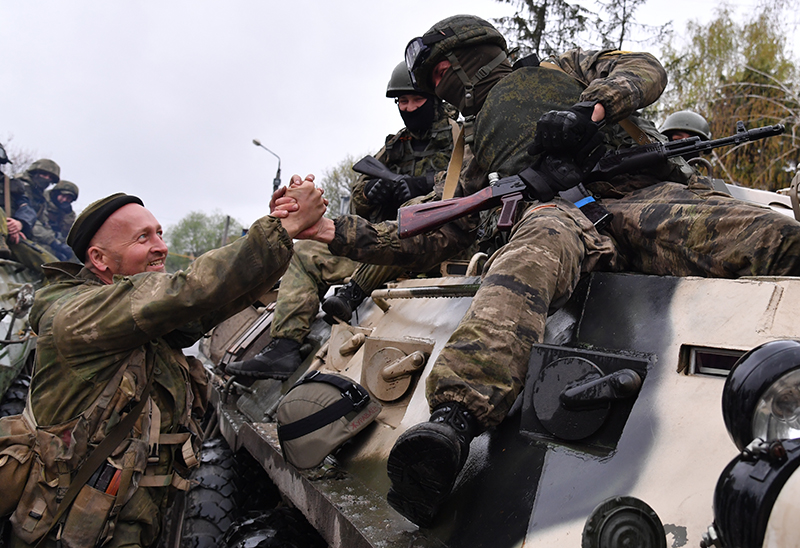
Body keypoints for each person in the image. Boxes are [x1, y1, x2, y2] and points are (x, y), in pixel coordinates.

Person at [305, 15, 800, 526]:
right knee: (526, 263)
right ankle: (452, 425)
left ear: (463, 62)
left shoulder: (567, 68)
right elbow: (441, 230)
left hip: (638, 199)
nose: (439, 89)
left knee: (778, 239)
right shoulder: (472, 147)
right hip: (553, 221)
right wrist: (332, 232)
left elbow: (644, 68)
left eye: (441, 74)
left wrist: (590, 110)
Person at [5, 178, 326, 547]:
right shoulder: (79, 314)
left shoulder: (139, 323)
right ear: (99, 259)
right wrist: (279, 228)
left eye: (159, 233)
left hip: (124, 523)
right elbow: (187, 289)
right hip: (67, 532)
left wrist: (283, 229)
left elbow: (209, 301)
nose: (162, 247)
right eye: (143, 238)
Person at [226, 62, 458, 379]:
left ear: (434, 98)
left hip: (431, 248)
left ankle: (352, 294)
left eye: (416, 100)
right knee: (306, 253)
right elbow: (360, 190)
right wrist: (374, 193)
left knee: (409, 228)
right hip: (377, 244)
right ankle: (283, 347)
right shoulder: (396, 146)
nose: (408, 108)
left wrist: (423, 186)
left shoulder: (460, 138)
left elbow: (472, 186)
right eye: (402, 102)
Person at [0, 159, 60, 270]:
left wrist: (19, 224)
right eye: (43, 174)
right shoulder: (23, 183)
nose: (46, 179)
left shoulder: (10, 185)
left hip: (12, 237)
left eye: (49, 177)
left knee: (53, 267)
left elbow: (27, 209)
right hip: (6, 234)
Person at [32, 179, 79, 262]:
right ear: (56, 193)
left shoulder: (67, 213)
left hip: (55, 242)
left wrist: (68, 215)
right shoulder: (41, 201)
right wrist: (54, 242)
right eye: (63, 196)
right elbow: (33, 224)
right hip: (37, 239)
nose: (65, 200)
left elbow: (68, 234)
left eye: (68, 198)